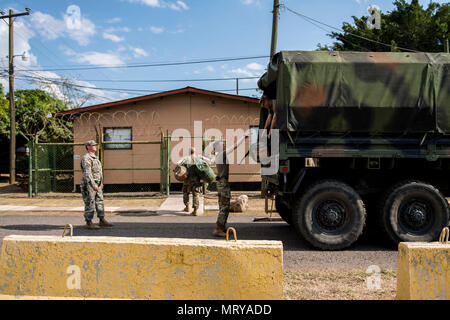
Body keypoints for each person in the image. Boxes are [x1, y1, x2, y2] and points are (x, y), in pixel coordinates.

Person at [212, 132, 249, 237]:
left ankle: (222, 226)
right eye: (222, 145)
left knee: (223, 205)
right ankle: (218, 229)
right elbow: (235, 146)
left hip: (221, 182)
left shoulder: (218, 155)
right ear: (218, 147)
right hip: (223, 183)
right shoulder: (221, 154)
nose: (224, 145)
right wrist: (244, 137)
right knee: (225, 206)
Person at [80, 140, 113, 229]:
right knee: (90, 202)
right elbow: (88, 173)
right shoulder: (86, 158)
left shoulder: (95, 157)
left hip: (97, 184)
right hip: (89, 184)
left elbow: (99, 171)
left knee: (100, 201)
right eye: (93, 145)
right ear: (88, 147)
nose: (95, 146)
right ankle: (88, 222)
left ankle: (101, 219)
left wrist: (101, 182)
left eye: (95, 145)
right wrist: (92, 184)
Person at [177, 147, 210, 216]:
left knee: (185, 192)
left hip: (187, 180)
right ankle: (195, 210)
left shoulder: (186, 158)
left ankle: (187, 207)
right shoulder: (198, 159)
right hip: (196, 180)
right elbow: (205, 165)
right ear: (194, 152)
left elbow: (178, 163)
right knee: (196, 194)